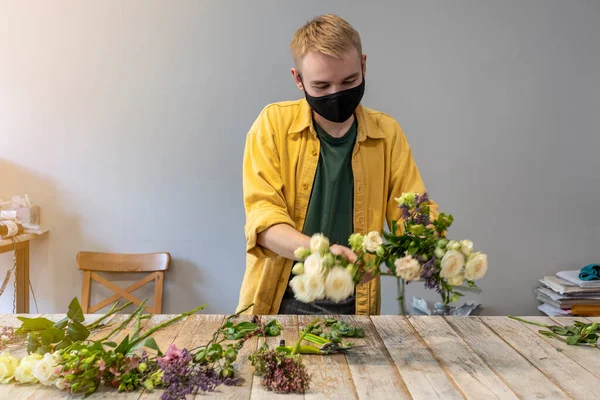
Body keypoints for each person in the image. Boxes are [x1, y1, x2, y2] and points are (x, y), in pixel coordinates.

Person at [237, 14, 438, 316]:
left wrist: (429, 246)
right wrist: (321, 252)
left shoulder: (387, 133)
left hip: (356, 302)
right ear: (298, 79)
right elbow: (263, 223)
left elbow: (412, 212)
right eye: (321, 85)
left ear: (364, 66)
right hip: (278, 301)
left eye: (349, 81)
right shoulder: (272, 126)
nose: (336, 94)